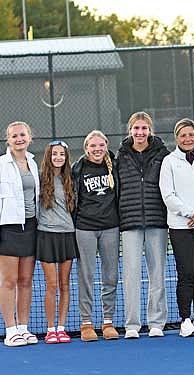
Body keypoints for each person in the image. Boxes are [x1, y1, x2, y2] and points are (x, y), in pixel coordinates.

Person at [0, 121, 40, 347]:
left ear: (29, 137)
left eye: (22, 135)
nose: (19, 139)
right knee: (9, 281)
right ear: (8, 140)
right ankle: (10, 331)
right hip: (8, 230)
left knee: (26, 281)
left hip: (31, 228)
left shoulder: (33, 163)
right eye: (14, 136)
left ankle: (24, 328)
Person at [159, 118, 194, 337]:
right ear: (176, 138)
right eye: (183, 135)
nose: (187, 139)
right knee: (186, 274)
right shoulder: (169, 161)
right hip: (180, 227)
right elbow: (168, 195)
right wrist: (190, 213)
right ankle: (185, 319)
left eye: (190, 134)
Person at [117, 112, 170, 339]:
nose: (140, 132)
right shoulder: (120, 157)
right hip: (129, 222)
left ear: (150, 131)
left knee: (157, 273)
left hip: (157, 220)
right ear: (130, 130)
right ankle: (132, 324)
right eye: (136, 128)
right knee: (130, 275)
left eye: (144, 128)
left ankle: (156, 322)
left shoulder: (163, 155)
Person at [72, 130, 120, 342]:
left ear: (106, 146)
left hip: (111, 227)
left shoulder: (115, 166)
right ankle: (86, 323)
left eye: (101, 145)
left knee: (110, 276)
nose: (97, 149)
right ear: (86, 148)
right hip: (85, 228)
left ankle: (108, 321)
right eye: (93, 146)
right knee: (86, 276)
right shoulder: (78, 168)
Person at [37, 140, 79, 343]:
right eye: (55, 154)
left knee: (64, 285)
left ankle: (61, 328)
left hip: (67, 235)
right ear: (49, 156)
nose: (58, 157)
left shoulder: (70, 178)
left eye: (62, 154)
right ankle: (50, 329)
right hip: (46, 235)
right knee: (51, 285)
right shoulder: (40, 179)